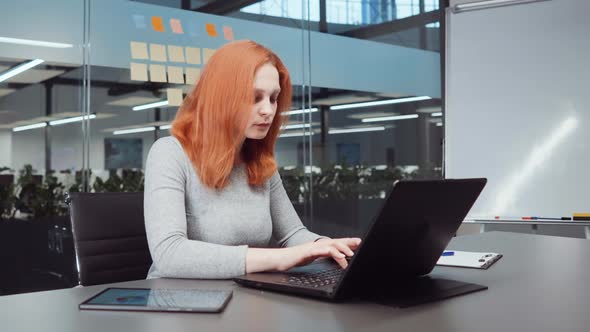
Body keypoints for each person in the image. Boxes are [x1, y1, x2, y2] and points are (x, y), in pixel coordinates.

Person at [144, 40, 361, 279]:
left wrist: (328, 247)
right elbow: (169, 254)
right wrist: (278, 259)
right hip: (178, 302)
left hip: (244, 296)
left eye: (273, 98)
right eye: (254, 97)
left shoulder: (259, 161)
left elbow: (292, 234)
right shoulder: (169, 153)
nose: (268, 110)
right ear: (222, 97)